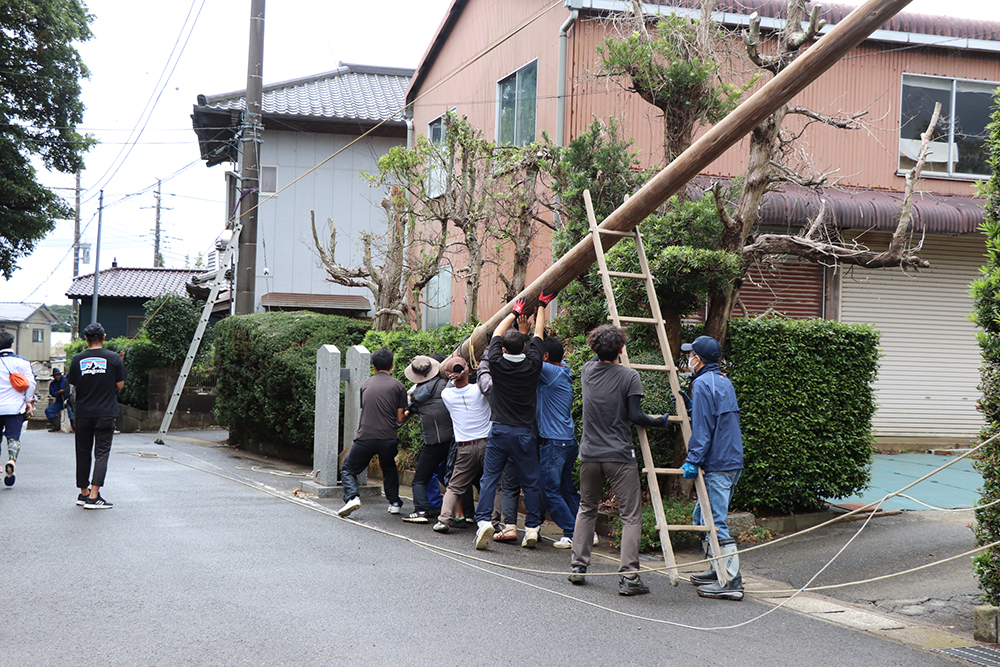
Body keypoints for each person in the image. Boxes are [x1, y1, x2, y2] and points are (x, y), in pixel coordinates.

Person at [568, 325, 670, 596]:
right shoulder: (629, 376)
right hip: (619, 455)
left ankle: (578, 566)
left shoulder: (587, 372)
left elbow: (596, 356)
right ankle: (629, 577)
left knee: (587, 508)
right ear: (622, 350)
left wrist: (603, 342)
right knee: (631, 516)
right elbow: (635, 416)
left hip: (589, 454)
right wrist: (659, 421)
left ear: (594, 349)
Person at [472, 292, 553, 551]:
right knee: (530, 481)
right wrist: (541, 306)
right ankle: (531, 527)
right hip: (524, 433)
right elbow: (539, 335)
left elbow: (496, 333)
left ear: (504, 349)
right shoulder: (533, 365)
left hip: (499, 431)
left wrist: (515, 311)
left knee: (489, 478)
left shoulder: (496, 362)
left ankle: (484, 520)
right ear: (526, 348)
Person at [680, 335, 745, 601]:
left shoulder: (703, 383)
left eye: (691, 354)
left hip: (718, 463)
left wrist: (693, 459)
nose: (689, 358)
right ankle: (716, 569)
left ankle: (731, 582)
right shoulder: (722, 381)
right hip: (730, 459)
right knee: (701, 519)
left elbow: (704, 428)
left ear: (699, 359)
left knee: (714, 524)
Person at [336, 347, 409, 518]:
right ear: (392, 365)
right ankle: (395, 503)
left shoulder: (366, 384)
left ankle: (352, 497)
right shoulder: (399, 386)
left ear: (374, 367)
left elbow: (368, 408)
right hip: (388, 438)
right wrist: (408, 413)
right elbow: (399, 419)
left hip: (366, 436)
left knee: (348, 469)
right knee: (389, 467)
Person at [67, 322, 125, 509]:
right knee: (101, 453)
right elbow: (120, 385)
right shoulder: (114, 358)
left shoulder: (77, 359)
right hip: (105, 413)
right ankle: (94, 496)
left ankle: (84, 493)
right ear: (104, 337)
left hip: (83, 413)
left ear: (85, 339)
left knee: (82, 452)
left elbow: (75, 386)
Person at [434, 356, 492, 533]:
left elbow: (451, 382)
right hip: (487, 445)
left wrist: (454, 372)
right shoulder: (479, 390)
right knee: (494, 485)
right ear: (467, 370)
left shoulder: (446, 395)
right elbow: (484, 380)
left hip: (464, 448)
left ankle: (444, 520)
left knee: (454, 486)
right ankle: (495, 522)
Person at [536, 336, 580, 549]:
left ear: (545, 356)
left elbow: (526, 359)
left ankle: (572, 532)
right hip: (567, 441)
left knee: (549, 490)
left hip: (554, 443)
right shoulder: (563, 369)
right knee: (566, 489)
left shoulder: (549, 371)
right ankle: (584, 530)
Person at [401, 355, 453, 524]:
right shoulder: (446, 386)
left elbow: (407, 411)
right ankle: (465, 513)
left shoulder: (416, 395)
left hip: (431, 443)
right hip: (452, 440)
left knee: (420, 480)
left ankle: (421, 511)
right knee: (455, 479)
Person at [0, 331, 36, 488]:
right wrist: (28, 401)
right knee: (13, 438)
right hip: (15, 408)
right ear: (11, 344)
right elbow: (31, 384)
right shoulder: (23, 363)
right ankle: (11, 461)